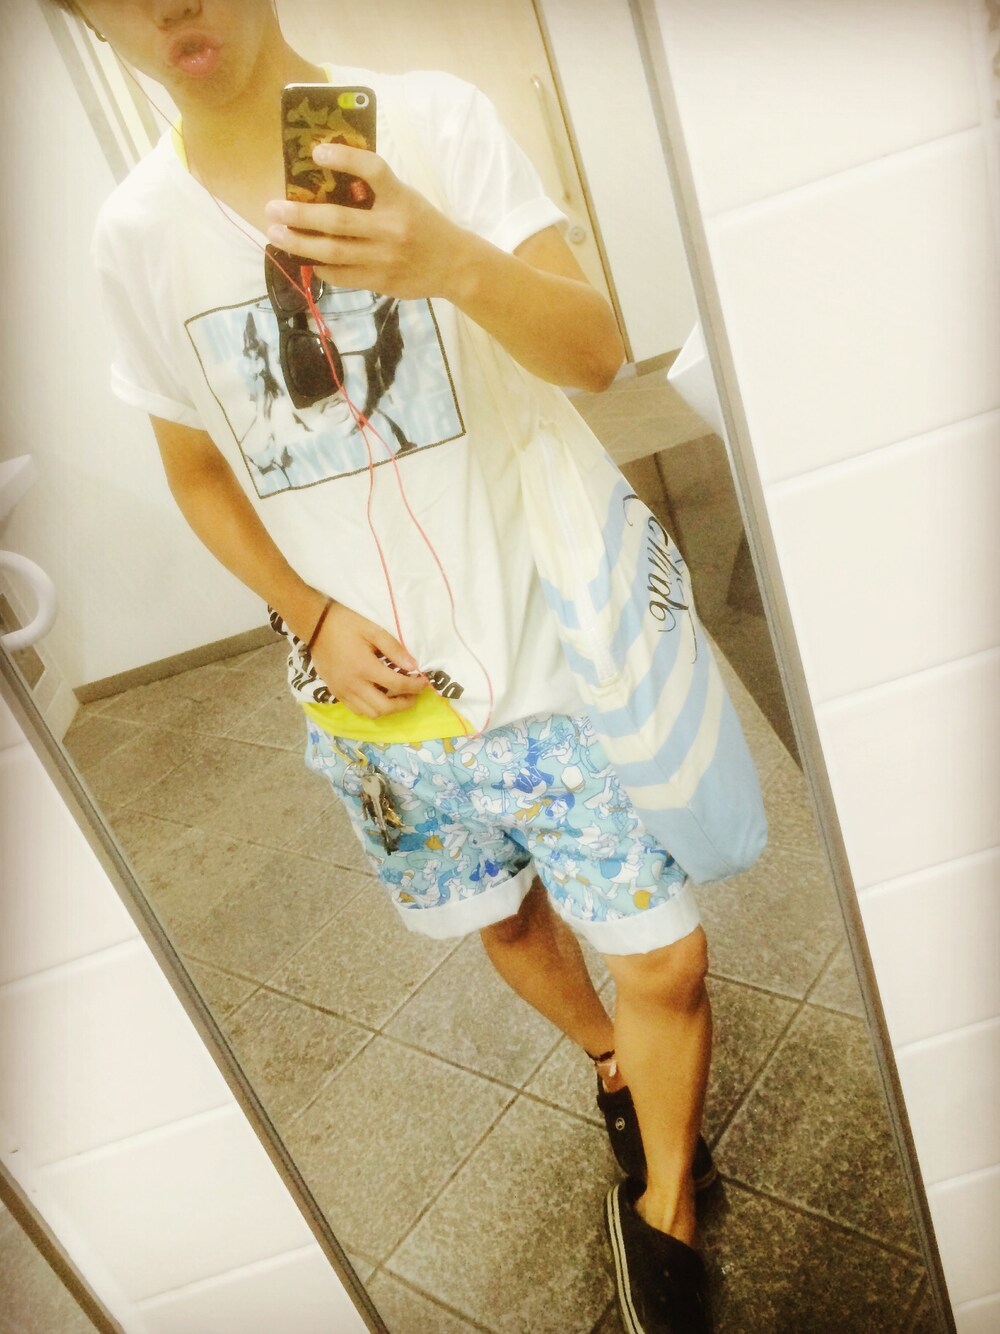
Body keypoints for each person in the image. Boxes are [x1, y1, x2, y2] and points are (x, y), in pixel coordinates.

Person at [58, 2, 716, 1329]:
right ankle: (609, 1062)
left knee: (665, 958)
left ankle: (668, 1201)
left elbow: (596, 355)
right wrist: (307, 612)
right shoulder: (134, 234)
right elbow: (196, 470)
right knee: (507, 919)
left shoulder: (433, 122)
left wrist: (446, 257)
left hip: (554, 653)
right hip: (378, 706)